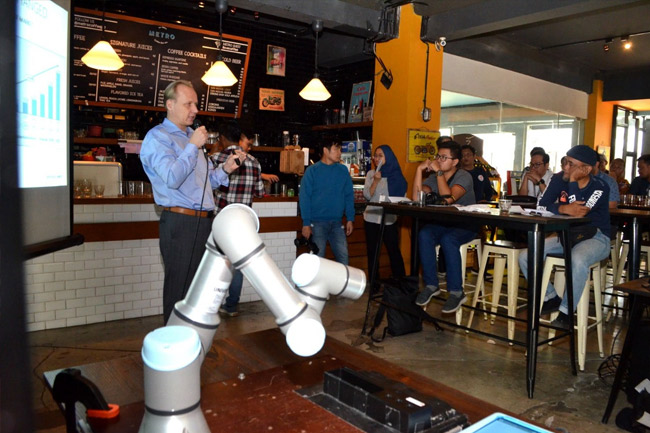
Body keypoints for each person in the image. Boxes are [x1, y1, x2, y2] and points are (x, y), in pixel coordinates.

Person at [140, 80, 243, 323]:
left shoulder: (191, 137)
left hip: (204, 223)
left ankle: (192, 338)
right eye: (188, 104)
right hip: (180, 222)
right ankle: (172, 341)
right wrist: (192, 146)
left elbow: (205, 184)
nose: (195, 110)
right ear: (170, 105)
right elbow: (172, 178)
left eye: (196, 104)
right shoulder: (158, 137)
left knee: (199, 293)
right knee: (179, 292)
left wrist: (226, 169)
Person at [518, 145, 610, 328]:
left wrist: (573, 182)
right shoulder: (559, 179)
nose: (565, 167)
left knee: (577, 258)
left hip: (596, 237)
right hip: (566, 236)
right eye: (565, 162)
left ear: (586, 169)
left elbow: (579, 212)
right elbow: (542, 206)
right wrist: (562, 208)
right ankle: (550, 297)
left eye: (571, 164)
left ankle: (567, 313)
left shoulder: (600, 187)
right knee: (526, 256)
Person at [413, 141, 477, 313]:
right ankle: (431, 285)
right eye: (438, 156)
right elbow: (416, 198)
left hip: (466, 224)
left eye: (443, 157)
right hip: (444, 223)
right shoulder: (434, 177)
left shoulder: (464, 176)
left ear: (455, 162)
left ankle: (456, 292)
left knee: (448, 240)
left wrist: (439, 172)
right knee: (424, 234)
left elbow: (447, 197)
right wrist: (419, 170)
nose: (439, 160)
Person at [211, 121, 265, 317]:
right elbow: (260, 192)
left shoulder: (215, 158)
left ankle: (211, 304)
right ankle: (231, 305)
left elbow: (205, 188)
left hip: (221, 221)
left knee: (216, 263)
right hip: (243, 223)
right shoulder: (254, 162)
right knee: (237, 264)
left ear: (222, 138)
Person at [299, 141, 355, 265]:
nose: (339, 153)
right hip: (317, 223)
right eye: (336, 149)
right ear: (325, 150)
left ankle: (342, 280)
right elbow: (304, 197)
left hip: (337, 222)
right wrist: (306, 223)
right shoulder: (312, 171)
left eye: (340, 150)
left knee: (344, 260)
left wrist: (350, 218)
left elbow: (349, 195)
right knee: (318, 262)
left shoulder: (343, 170)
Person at [363, 145, 407, 279]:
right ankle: (374, 283)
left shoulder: (396, 176)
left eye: (380, 156)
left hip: (388, 219)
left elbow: (400, 198)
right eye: (375, 156)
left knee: (393, 250)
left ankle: (400, 281)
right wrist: (375, 181)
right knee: (373, 252)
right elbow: (367, 195)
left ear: (388, 157)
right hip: (371, 217)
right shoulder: (371, 174)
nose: (377, 159)